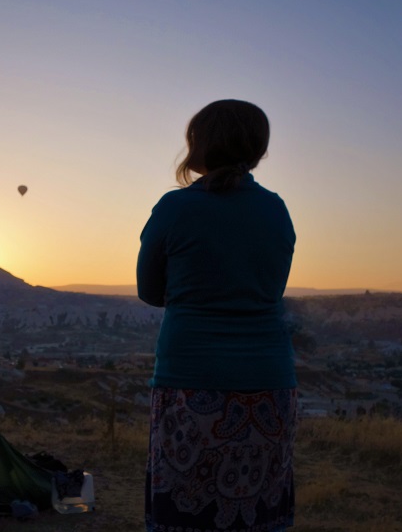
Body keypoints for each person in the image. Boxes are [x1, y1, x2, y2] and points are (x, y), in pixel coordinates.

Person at [137, 99, 297, 532]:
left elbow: (149, 291)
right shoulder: (276, 210)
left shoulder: (174, 208)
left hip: (190, 378)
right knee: (256, 512)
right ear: (257, 150)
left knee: (186, 511)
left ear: (200, 145)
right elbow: (269, 290)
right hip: (268, 381)